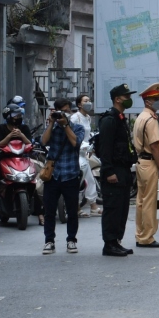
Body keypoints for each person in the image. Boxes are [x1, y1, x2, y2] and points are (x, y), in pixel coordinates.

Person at [40, 97, 84, 253]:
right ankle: (49, 241)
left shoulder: (78, 128)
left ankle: (71, 240)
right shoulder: (52, 128)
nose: (64, 115)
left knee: (72, 211)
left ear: (71, 112)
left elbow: (76, 143)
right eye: (61, 112)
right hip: (53, 175)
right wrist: (51, 123)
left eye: (66, 112)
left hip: (71, 174)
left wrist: (65, 125)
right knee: (49, 211)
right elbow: (43, 142)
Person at [98, 84, 137, 256]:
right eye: (126, 96)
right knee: (113, 209)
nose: (129, 99)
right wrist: (108, 172)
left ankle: (116, 241)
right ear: (117, 99)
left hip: (124, 169)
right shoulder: (110, 120)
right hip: (114, 170)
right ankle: (109, 243)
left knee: (122, 209)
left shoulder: (121, 118)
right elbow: (105, 149)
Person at [132, 83, 159, 249]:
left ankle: (140, 234)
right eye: (156, 99)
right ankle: (147, 237)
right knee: (151, 202)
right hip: (150, 163)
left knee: (141, 201)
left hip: (141, 162)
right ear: (148, 102)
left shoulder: (140, 117)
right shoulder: (150, 120)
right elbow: (154, 146)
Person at [70, 94, 100, 217]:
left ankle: (93, 206)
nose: (89, 102)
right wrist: (83, 146)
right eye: (85, 101)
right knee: (79, 182)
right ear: (79, 104)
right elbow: (72, 135)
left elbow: (88, 135)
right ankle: (76, 207)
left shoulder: (87, 117)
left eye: (89, 100)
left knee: (90, 180)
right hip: (76, 153)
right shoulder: (74, 118)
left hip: (85, 153)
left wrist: (91, 146)